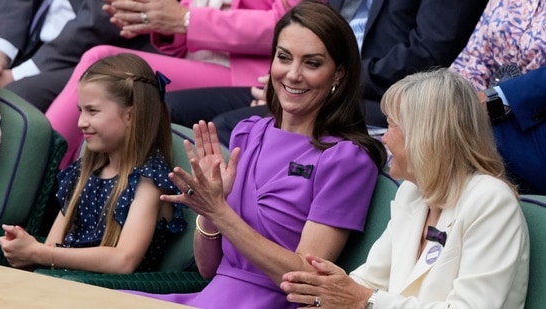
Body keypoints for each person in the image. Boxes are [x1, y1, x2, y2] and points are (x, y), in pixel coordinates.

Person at [125, 2, 387, 307]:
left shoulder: (347, 159)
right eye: (284, 57)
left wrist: (220, 212)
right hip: (210, 297)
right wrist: (210, 213)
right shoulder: (248, 132)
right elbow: (209, 269)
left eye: (312, 63)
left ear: (338, 74)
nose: (292, 74)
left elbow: (303, 277)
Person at [280, 69, 530, 308]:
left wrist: (362, 300)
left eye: (391, 125)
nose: (384, 138)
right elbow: (370, 280)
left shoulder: (491, 201)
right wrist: (329, 296)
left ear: (425, 134)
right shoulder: (413, 193)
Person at [164, 0, 488, 146]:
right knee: (170, 108)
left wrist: (322, 79)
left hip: (381, 95)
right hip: (317, 74)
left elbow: (427, 53)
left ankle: (229, 244)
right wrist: (294, 74)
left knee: (233, 127)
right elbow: (313, 23)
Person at [45, 0, 302, 169]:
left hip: (252, 73)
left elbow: (292, 25)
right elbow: (183, 21)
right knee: (104, 71)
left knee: (104, 62)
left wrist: (186, 20)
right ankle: (59, 182)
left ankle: (37, 172)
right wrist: (157, 19)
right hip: (198, 60)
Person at [0, 53, 186, 273]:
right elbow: (52, 248)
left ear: (130, 116)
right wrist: (26, 250)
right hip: (61, 287)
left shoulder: (149, 179)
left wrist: (39, 253)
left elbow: (123, 261)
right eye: (81, 111)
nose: (81, 123)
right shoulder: (84, 170)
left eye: (92, 111)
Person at [450, 0, 546, 195]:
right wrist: (449, 102)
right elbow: (474, 60)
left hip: (533, 132)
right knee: (423, 130)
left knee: (448, 147)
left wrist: (496, 100)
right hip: (487, 115)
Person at [0, 0, 156, 112]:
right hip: (28, 38)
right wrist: (0, 50)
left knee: (15, 98)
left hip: (100, 52)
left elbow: (102, 19)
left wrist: (16, 75)